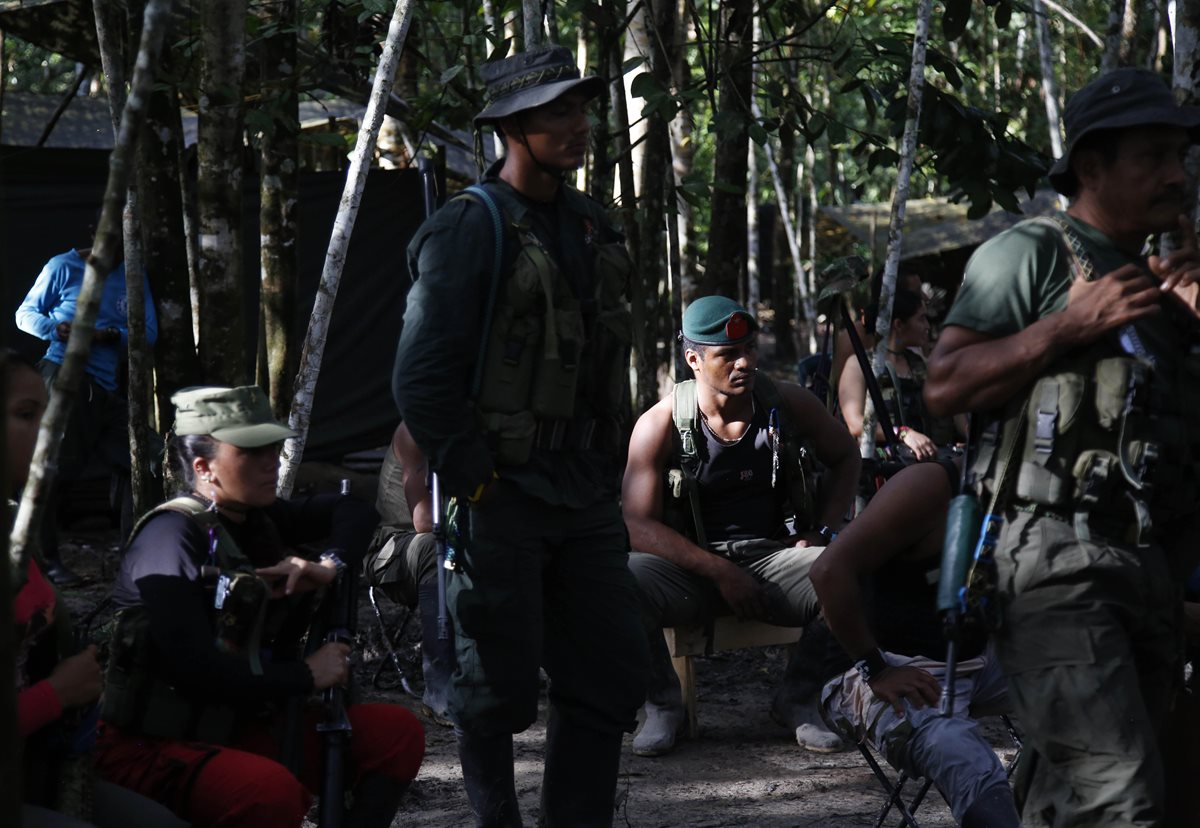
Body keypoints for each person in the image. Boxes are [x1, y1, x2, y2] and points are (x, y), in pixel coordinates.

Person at [924, 67, 1200, 827]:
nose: (1177, 174)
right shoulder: (1035, 254)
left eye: (1182, 156)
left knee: (1080, 800)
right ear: (1092, 167)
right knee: (1121, 800)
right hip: (1054, 566)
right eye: (1153, 156)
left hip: (1143, 570)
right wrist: (1066, 327)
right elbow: (944, 387)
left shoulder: (1159, 280)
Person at [392, 46, 648, 827]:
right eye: (558, 112)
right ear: (511, 128)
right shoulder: (469, 230)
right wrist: (473, 479)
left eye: (581, 108)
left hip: (583, 491)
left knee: (606, 675)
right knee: (493, 687)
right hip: (500, 493)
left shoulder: (592, 224)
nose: (580, 125)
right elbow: (421, 379)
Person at [92, 385, 424, 828]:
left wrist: (329, 564)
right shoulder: (171, 536)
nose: (272, 461)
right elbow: (195, 668)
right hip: (154, 744)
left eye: (273, 447)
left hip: (239, 725)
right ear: (202, 467)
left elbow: (355, 511)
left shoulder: (258, 516)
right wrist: (307, 674)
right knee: (267, 793)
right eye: (252, 452)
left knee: (394, 735)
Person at [623, 295, 861, 757]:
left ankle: (799, 699)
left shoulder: (788, 404)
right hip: (692, 569)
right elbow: (635, 524)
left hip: (775, 559)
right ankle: (662, 705)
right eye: (728, 355)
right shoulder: (661, 423)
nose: (745, 362)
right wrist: (717, 569)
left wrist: (824, 533)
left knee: (854, 572)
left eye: (749, 349)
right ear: (693, 359)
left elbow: (845, 457)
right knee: (620, 578)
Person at [9, 350, 185, 828]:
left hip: (40, 767)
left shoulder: (16, 531)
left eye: (51, 415)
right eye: (27, 415)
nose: (52, 433)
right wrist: (56, 694)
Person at [811, 461, 1021, 827]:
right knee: (957, 752)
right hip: (882, 661)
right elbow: (828, 571)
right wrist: (874, 668)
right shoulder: (933, 484)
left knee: (1101, 694)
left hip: (979, 651)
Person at [15, 241, 158, 586]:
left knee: (145, 458)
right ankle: (45, 563)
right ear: (96, 236)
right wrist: (56, 329)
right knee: (51, 468)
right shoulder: (62, 266)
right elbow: (25, 314)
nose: (119, 255)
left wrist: (109, 335)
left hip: (106, 389)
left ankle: (134, 558)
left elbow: (147, 334)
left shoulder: (133, 272)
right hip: (64, 378)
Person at [363, 420, 454, 725]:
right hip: (394, 548)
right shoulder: (416, 430)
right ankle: (441, 694)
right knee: (434, 546)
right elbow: (425, 521)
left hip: (455, 542)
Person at [838, 288, 959, 461]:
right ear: (898, 325)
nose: (927, 326)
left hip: (923, 462)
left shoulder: (919, 364)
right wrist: (903, 433)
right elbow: (855, 424)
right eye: (921, 318)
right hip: (879, 466)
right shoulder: (858, 364)